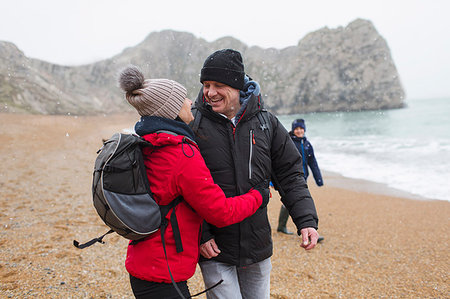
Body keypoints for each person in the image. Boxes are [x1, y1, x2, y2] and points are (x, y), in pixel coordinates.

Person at [118, 65, 269, 299]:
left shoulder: (148, 142)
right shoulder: (180, 154)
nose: (190, 101)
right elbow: (221, 211)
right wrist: (258, 196)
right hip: (163, 272)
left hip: (144, 261)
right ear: (171, 111)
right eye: (183, 99)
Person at [191, 49, 319, 299]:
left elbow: (290, 175)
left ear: (238, 87)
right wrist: (201, 233)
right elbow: (183, 187)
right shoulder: (194, 124)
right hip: (214, 247)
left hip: (257, 245)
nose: (210, 92)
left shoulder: (266, 123)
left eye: (219, 85)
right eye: (206, 85)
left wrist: (306, 221)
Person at [277, 119, 324, 238]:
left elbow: (313, 163)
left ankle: (302, 228)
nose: (299, 131)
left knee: (299, 200)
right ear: (293, 130)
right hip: (289, 177)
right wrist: (273, 181)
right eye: (296, 129)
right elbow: (278, 162)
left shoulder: (307, 144)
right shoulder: (289, 143)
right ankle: (286, 226)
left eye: (301, 129)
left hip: (302, 178)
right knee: (292, 201)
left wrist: (318, 179)